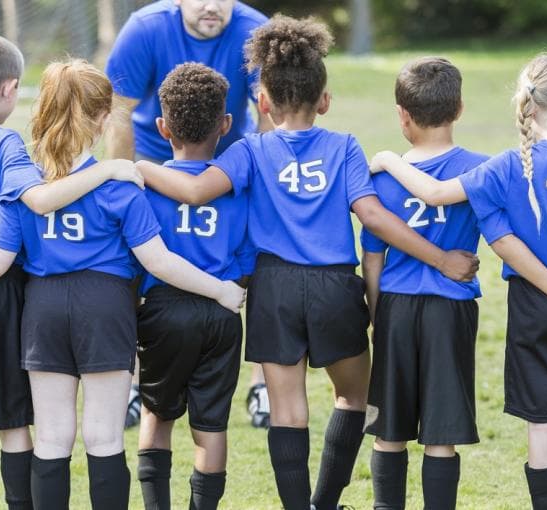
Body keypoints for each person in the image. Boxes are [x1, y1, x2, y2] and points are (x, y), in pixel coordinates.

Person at [135, 15, 480, 510]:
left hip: (274, 289)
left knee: (288, 412)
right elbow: (374, 219)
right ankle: (325, 502)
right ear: (324, 101)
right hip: (335, 287)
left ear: (263, 102)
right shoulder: (343, 147)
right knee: (355, 399)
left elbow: (192, 189)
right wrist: (441, 258)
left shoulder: (249, 150)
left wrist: (137, 166)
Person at [0, 58, 246, 510]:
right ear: (99, 118)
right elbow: (159, 261)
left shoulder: (24, 185)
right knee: (103, 436)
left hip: (43, 310)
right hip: (105, 308)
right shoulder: (121, 184)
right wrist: (219, 289)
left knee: (53, 438)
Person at [370, 53, 547, 510]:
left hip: (536, 306)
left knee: (544, 425)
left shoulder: (512, 166)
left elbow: (436, 195)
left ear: (525, 105)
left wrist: (391, 159)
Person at [0, 34, 142, 510]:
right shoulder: (4, 143)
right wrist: (110, 170)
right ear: (10, 88)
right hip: (1, 294)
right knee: (14, 423)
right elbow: (40, 200)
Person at [105, 0, 272, 429]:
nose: (212, 6)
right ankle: (133, 384)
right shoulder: (145, 29)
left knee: (260, 259)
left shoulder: (255, 31)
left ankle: (262, 386)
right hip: (154, 159)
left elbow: (269, 112)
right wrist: (126, 185)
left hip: (226, 162)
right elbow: (118, 112)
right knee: (131, 265)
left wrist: (259, 176)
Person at [361, 56, 491, 510]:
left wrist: (379, 315)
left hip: (395, 306)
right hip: (450, 310)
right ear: (459, 109)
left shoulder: (379, 177)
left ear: (402, 115)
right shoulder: (481, 168)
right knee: (441, 433)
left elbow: (372, 258)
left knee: (388, 430)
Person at [135, 62, 253, 510]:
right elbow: (246, 255)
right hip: (223, 310)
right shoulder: (237, 188)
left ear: (163, 127)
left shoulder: (143, 186)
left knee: (156, 414)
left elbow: (136, 259)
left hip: (164, 312)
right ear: (225, 125)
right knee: (211, 428)